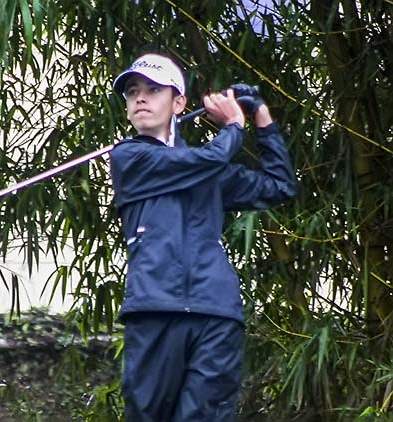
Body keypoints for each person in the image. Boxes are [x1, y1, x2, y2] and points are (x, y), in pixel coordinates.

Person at [109, 53, 297, 421]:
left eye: (153, 90)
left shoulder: (206, 169)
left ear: (179, 103)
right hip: (155, 310)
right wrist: (232, 126)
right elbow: (204, 161)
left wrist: (261, 118)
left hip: (216, 311)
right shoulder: (129, 157)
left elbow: (280, 185)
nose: (140, 98)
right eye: (132, 92)